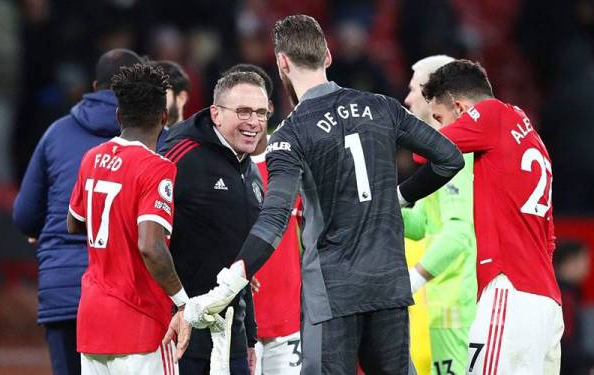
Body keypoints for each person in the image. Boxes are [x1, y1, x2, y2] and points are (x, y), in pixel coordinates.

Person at [171, 14, 465, 375]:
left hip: (333, 294)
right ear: (327, 56)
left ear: (281, 62)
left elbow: (275, 217)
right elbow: (449, 159)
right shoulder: (382, 106)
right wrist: (400, 197)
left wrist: (231, 281)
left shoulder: (290, 135)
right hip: (389, 286)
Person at [422, 59, 563, 374]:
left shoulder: (491, 114)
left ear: (460, 108)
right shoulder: (529, 133)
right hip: (546, 302)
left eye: (438, 118)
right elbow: (549, 237)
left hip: (510, 294)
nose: (438, 126)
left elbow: (427, 149)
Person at [12, 48, 142, 375]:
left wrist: (42, 229)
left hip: (63, 289)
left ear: (95, 86)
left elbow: (24, 215)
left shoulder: (56, 133)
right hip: (125, 293)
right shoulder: (155, 139)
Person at [66, 63, 191, 374]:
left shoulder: (92, 158)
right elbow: (150, 246)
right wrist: (183, 301)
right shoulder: (157, 168)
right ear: (164, 118)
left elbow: (74, 222)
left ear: (119, 116)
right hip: (141, 321)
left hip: (93, 322)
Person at [159, 71, 269, 374]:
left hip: (231, 337)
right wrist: (177, 306)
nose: (254, 122)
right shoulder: (180, 155)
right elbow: (145, 237)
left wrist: (249, 337)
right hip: (182, 334)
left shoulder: (251, 171)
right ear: (216, 114)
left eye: (261, 112)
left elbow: (239, 260)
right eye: (243, 111)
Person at [225, 63, 303, 375]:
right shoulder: (212, 167)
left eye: (255, 109)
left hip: (287, 320)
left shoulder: (291, 162)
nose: (249, 119)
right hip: (235, 321)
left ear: (269, 108)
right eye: (240, 110)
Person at [402, 55, 477, 375]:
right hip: (441, 306)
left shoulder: (455, 151)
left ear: (434, 93)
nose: (406, 99)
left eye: (413, 89)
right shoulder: (439, 153)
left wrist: (412, 280)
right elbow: (424, 225)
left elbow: (459, 234)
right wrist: (375, 206)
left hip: (456, 309)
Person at [553, 239, 592, 375]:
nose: (588, 267)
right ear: (570, 262)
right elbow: (565, 340)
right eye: (584, 260)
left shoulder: (571, 292)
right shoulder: (565, 295)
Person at [152, 60, 190, 149]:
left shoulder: (196, 145)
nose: (152, 100)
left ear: (181, 98)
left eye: (160, 94)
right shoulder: (139, 142)